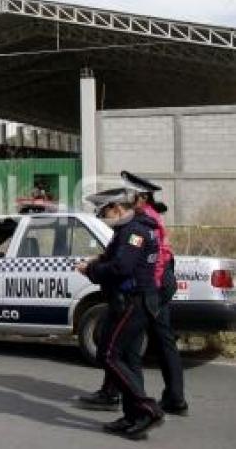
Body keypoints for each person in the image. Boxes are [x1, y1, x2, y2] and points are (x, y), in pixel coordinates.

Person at [79, 172, 188, 417]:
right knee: (137, 345)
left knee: (129, 346)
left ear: (140, 198)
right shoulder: (147, 217)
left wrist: (148, 290)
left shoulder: (142, 221)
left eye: (130, 195)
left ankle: (144, 402)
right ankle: (142, 400)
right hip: (153, 286)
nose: (127, 199)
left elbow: (150, 260)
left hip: (150, 287)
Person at [75, 187, 164, 440]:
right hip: (132, 301)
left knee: (109, 355)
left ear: (116, 208)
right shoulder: (131, 228)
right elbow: (116, 256)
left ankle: (148, 409)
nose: (103, 216)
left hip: (132, 302)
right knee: (128, 359)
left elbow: (122, 267)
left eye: (104, 211)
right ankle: (133, 416)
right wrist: (97, 260)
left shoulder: (134, 231)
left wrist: (91, 272)